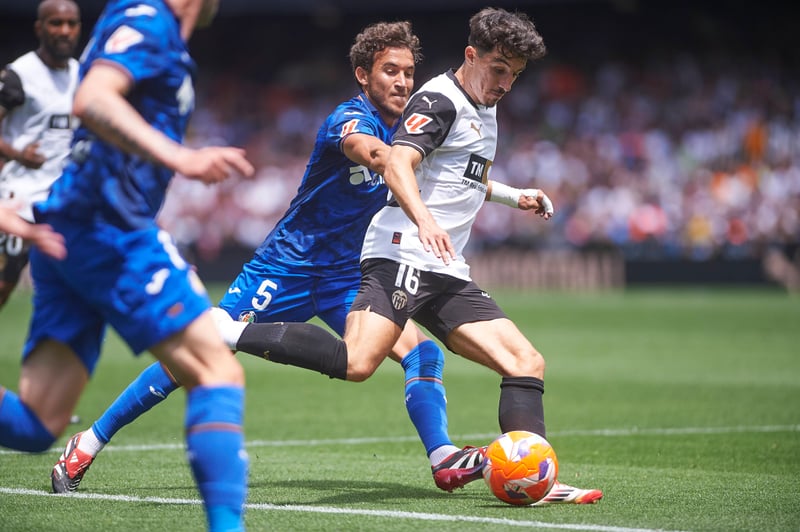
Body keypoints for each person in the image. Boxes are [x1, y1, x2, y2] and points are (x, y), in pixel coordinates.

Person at [51, 20, 485, 497]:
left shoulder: (409, 131)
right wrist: (405, 177)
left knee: (423, 352)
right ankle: (88, 441)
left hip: (347, 278)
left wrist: (510, 194)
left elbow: (452, 172)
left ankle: (443, 458)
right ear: (363, 75)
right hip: (285, 268)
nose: (402, 82)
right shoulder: (349, 120)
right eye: (390, 71)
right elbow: (376, 155)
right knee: (195, 356)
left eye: (408, 72)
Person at [229, 7, 602, 504]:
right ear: (471, 56)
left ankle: (535, 478)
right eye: (498, 69)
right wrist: (424, 220)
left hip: (444, 267)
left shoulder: (484, 107)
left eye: (514, 74)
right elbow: (398, 161)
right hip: (400, 254)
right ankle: (225, 331)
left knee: (525, 362)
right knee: (357, 362)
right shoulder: (438, 100)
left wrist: (516, 196)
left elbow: (461, 176)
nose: (505, 83)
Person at [0, 0, 254, 530]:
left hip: (69, 228)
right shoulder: (148, 19)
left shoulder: (142, 22)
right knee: (217, 371)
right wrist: (180, 157)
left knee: (36, 423)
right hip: (108, 226)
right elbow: (93, 98)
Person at [0, 0, 80, 309]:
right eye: (55, 23)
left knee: (73, 295)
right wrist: (17, 154)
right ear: (39, 27)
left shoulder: (82, 75)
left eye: (71, 24)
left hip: (63, 202)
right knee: (3, 286)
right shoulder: (19, 75)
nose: (64, 31)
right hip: (18, 200)